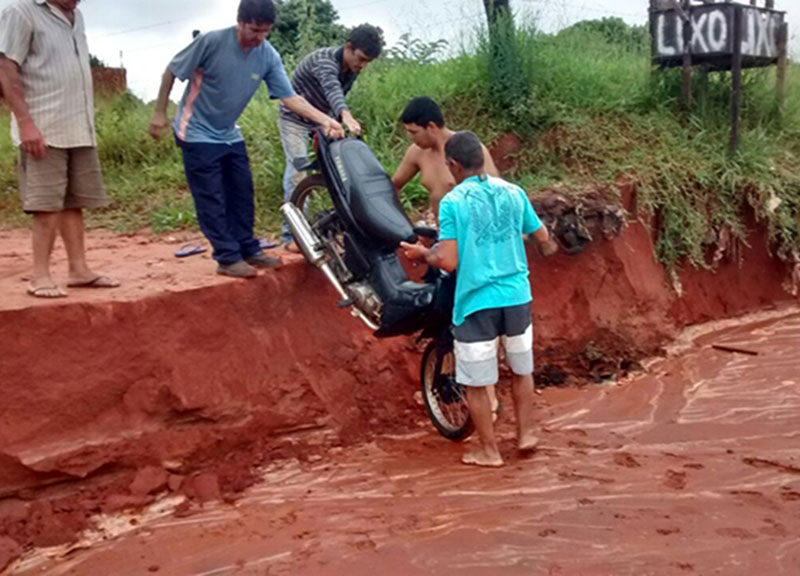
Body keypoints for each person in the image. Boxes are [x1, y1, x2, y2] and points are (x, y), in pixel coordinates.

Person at [149, 0, 345, 278]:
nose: (259, 37)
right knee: (212, 197)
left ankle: (248, 248)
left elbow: (289, 97)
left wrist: (325, 119)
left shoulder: (267, 55)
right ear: (240, 22)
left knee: (242, 193)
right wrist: (159, 113)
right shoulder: (211, 42)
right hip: (195, 131)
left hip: (228, 133)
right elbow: (172, 70)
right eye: (254, 30)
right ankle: (227, 257)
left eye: (265, 32)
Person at [401, 131, 557, 468]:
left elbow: (449, 261)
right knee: (521, 370)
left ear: (454, 165)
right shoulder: (514, 192)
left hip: (476, 301)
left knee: (476, 382)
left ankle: (490, 451)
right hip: (517, 296)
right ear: (481, 159)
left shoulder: (454, 203)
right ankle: (526, 434)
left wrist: (422, 254)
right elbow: (542, 235)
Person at [0, 0, 120, 298]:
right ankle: (40, 276)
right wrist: (26, 123)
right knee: (46, 205)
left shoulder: (75, 15)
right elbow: (5, 67)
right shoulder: (19, 12)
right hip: (44, 127)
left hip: (78, 126)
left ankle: (78, 270)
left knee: (73, 201)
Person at [278, 24, 384, 250]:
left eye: (367, 62)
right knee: (297, 172)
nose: (362, 66)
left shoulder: (352, 69)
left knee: (336, 170)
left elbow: (335, 98)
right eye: (361, 59)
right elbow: (332, 90)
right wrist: (345, 115)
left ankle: (332, 227)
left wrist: (333, 120)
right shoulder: (324, 61)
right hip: (294, 118)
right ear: (348, 47)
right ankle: (292, 237)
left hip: (321, 120)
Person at [392, 96, 499, 224]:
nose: (410, 137)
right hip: (441, 232)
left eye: (414, 132)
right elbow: (393, 186)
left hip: (468, 230)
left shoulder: (468, 149)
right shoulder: (416, 152)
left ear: (431, 126)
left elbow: (494, 193)